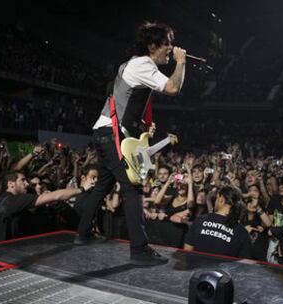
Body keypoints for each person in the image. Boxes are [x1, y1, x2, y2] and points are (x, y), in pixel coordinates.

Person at [74, 21, 187, 266]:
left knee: (104, 184)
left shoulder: (133, 64)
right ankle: (140, 250)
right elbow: (173, 87)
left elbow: (128, 105)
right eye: (166, 43)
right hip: (110, 134)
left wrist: (142, 127)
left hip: (107, 132)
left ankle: (82, 234)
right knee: (133, 186)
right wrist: (181, 62)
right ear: (152, 45)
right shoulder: (143, 63)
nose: (171, 47)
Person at [0, 171, 83, 240]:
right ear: (11, 184)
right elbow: (56, 196)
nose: (27, 184)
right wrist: (83, 189)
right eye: (22, 180)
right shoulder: (14, 200)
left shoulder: (1, 200)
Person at [184, 186, 253, 259]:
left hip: (196, 269)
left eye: (216, 198)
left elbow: (187, 251)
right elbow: (243, 265)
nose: (215, 202)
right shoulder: (242, 232)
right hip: (223, 270)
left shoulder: (200, 220)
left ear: (221, 199)